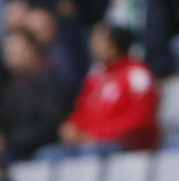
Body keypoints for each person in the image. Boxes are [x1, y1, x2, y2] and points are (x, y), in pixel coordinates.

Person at [37, 24, 159, 159]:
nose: (93, 45)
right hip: (92, 142)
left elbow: (141, 118)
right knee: (48, 154)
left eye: (99, 40)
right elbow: (84, 111)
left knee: (90, 153)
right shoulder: (96, 77)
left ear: (115, 43)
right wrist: (73, 125)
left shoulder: (137, 74)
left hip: (128, 145)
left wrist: (96, 135)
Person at [0, 29, 70, 161]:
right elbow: (4, 123)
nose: (11, 53)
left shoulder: (49, 80)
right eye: (8, 48)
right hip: (16, 148)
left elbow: (50, 125)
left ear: (33, 48)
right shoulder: (10, 86)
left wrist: (9, 140)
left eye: (16, 47)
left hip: (44, 149)